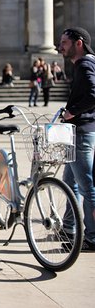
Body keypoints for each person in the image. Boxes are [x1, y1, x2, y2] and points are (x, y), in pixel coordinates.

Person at [58, 27, 95, 252]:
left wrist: (73, 111)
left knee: (87, 187)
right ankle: (68, 227)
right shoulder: (89, 62)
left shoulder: (84, 64)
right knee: (69, 181)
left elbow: (93, 93)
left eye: (64, 42)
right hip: (81, 131)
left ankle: (92, 236)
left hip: (81, 132)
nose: (60, 46)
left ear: (78, 43)